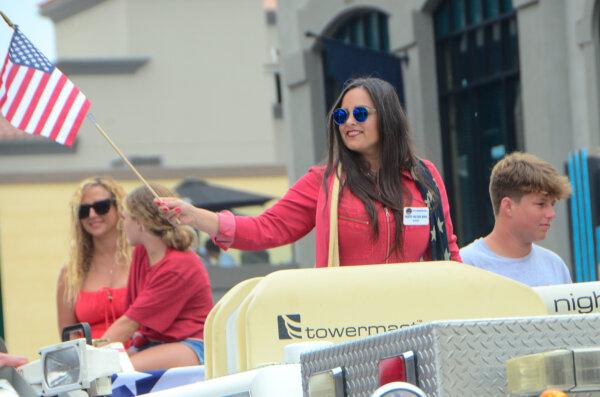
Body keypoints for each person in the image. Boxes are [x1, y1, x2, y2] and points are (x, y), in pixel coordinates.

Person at [156, 77, 460, 265]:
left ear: (389, 118)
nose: (349, 122)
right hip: (351, 323)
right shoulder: (324, 181)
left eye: (360, 114)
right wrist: (195, 216)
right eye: (342, 115)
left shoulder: (425, 176)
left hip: (417, 316)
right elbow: (265, 229)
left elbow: (447, 249)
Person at [101, 183, 213, 371]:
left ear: (140, 222)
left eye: (125, 218)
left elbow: (129, 323)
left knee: (116, 373)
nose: (123, 224)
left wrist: (90, 354)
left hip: (192, 345)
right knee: (106, 372)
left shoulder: (178, 265)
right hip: (154, 343)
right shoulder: (142, 253)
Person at [460, 152, 572, 286]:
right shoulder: (465, 265)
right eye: (541, 204)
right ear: (508, 206)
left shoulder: (555, 266)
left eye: (552, 204)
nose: (551, 214)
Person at [57, 177, 130, 340]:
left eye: (101, 207)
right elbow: (69, 335)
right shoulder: (70, 272)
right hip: (92, 361)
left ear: (119, 207)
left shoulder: (141, 259)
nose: (92, 214)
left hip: (140, 356)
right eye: (83, 210)